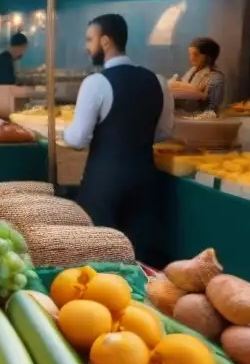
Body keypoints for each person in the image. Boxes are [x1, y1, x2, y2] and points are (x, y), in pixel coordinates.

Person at [63, 14, 174, 253]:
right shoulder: (158, 81)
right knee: (140, 257)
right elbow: (164, 131)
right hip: (145, 181)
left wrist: (64, 133)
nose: (86, 46)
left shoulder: (96, 82)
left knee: (101, 256)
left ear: (105, 41)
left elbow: (78, 139)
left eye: (89, 39)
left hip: (104, 184)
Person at [169, 36, 225, 113]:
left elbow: (213, 105)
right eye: (190, 54)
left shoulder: (216, 78)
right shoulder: (191, 71)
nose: (191, 58)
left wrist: (198, 95)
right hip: (184, 115)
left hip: (203, 118)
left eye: (196, 55)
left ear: (208, 57)